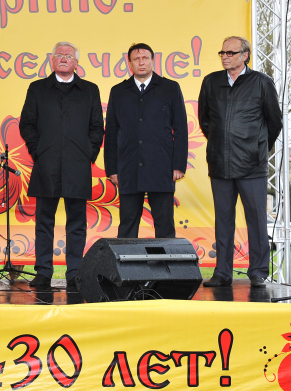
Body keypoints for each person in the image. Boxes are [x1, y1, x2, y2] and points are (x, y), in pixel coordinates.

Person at [19, 42, 104, 290]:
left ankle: (75, 273)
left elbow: (97, 127)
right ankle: (43, 271)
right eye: (59, 55)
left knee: (77, 223)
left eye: (68, 56)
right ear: (52, 60)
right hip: (46, 165)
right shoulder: (38, 89)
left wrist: (88, 153)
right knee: (43, 222)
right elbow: (27, 124)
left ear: (76, 62)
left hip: (78, 165)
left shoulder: (89, 90)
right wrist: (38, 150)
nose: (64, 58)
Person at [199, 36, 282, 288]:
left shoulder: (261, 82)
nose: (225, 56)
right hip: (220, 164)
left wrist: (257, 148)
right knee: (223, 221)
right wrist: (220, 143)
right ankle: (222, 273)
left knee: (256, 220)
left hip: (251, 165)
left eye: (230, 53)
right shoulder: (211, 81)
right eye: (222, 52)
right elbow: (205, 121)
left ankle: (258, 271)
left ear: (245, 55)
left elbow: (274, 122)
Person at [104, 43, 188, 238]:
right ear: (129, 63)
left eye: (145, 58)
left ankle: (165, 260)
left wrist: (178, 165)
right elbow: (111, 132)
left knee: (164, 224)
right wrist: (112, 169)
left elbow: (181, 129)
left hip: (162, 166)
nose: (141, 62)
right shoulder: (118, 91)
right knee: (127, 225)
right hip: (129, 166)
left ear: (153, 61)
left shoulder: (170, 88)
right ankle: (126, 260)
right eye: (136, 59)